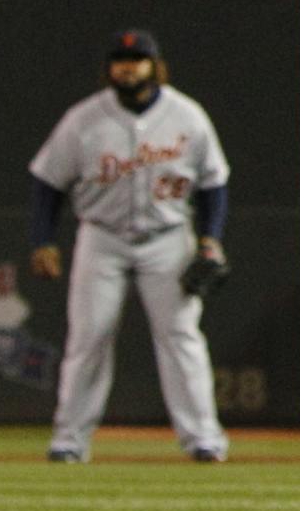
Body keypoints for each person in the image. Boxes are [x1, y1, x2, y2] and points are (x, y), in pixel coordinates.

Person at [28, 31, 231, 463]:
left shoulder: (187, 116)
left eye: (137, 59)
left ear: (156, 66)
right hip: (101, 237)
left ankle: (203, 438)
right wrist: (43, 239)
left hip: (169, 238)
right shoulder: (83, 119)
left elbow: (214, 183)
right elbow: (47, 182)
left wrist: (210, 239)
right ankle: (69, 439)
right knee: (88, 336)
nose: (128, 66)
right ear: (109, 67)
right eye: (120, 59)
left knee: (181, 335)